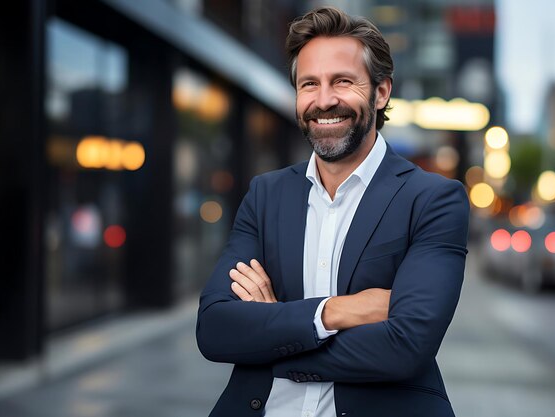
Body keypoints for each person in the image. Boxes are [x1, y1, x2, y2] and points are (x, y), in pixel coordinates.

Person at [196, 6, 469, 417]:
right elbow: (215, 329)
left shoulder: (433, 199)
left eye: (342, 81)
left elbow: (405, 347)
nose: (324, 101)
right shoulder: (266, 194)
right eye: (309, 84)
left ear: (380, 92)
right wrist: (337, 311)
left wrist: (272, 333)